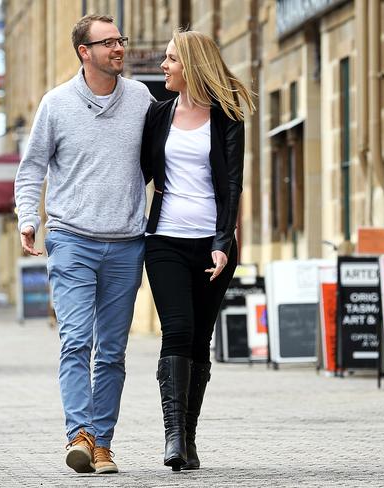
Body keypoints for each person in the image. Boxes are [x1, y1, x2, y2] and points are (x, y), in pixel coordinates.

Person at [14, 14, 152, 475]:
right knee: (76, 341)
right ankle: (79, 435)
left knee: (112, 350)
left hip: (127, 243)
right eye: (108, 42)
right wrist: (28, 218)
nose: (119, 48)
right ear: (84, 52)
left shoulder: (141, 99)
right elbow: (31, 168)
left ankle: (103, 444)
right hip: (72, 239)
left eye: (120, 40)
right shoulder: (55, 105)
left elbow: (160, 161)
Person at [141, 29, 255, 471]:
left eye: (171, 59)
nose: (163, 66)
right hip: (164, 240)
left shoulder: (227, 116)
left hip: (212, 246)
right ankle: (172, 436)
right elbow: (140, 174)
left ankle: (188, 438)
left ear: (191, 65)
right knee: (179, 331)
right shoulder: (158, 116)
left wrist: (223, 243)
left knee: (201, 341)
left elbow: (233, 186)